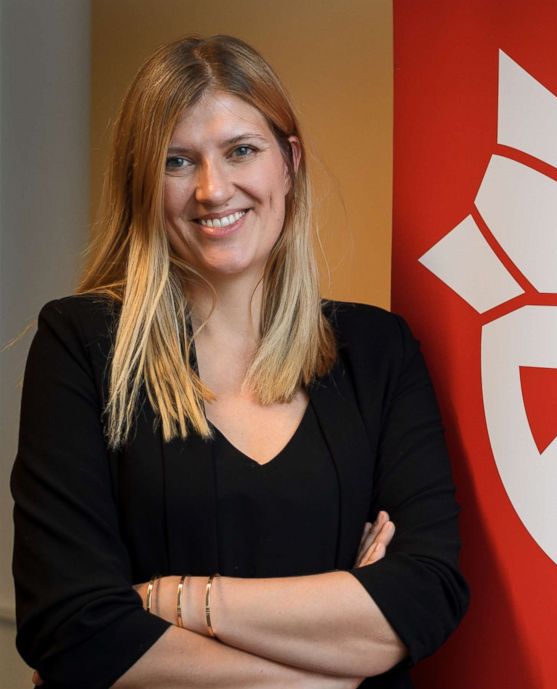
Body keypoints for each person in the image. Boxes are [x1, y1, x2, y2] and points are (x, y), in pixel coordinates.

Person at [11, 35, 468, 689]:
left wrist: (177, 600)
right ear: (143, 184)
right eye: (176, 161)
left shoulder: (379, 350)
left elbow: (424, 598)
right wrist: (333, 656)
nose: (211, 188)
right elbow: (73, 628)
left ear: (289, 162)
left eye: (241, 151)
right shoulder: (82, 345)